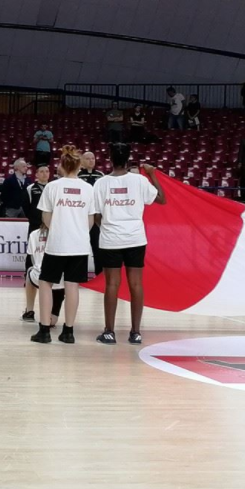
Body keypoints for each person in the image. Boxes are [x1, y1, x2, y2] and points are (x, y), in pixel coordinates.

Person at [92, 143, 166, 345]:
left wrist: (108, 226)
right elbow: (161, 199)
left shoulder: (101, 183)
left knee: (111, 284)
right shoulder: (140, 180)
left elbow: (96, 215)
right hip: (135, 238)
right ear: (128, 160)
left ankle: (109, 332)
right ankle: (135, 333)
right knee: (136, 284)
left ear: (110, 159)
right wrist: (152, 174)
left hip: (110, 239)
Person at [32, 148, 97, 344]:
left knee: (46, 283)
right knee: (72, 286)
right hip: (79, 245)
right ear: (79, 166)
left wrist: (60, 230)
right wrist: (77, 232)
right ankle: (68, 331)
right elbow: (90, 220)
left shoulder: (52, 187)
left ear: (61, 165)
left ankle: (44, 330)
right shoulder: (88, 188)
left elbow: (46, 217)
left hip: (57, 244)